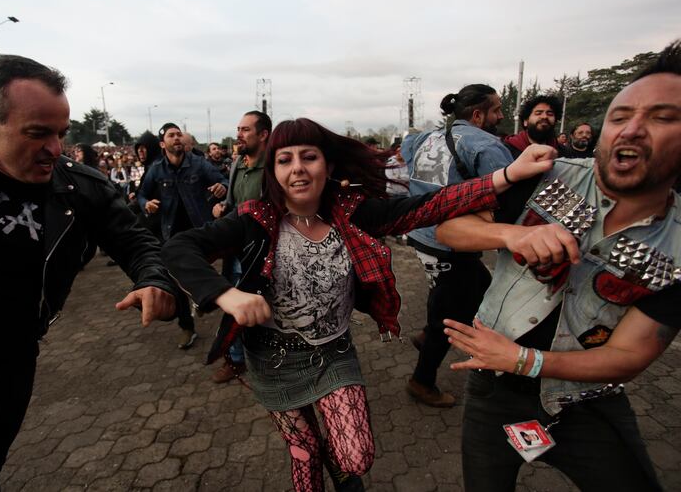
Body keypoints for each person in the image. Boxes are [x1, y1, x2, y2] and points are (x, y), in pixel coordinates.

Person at [162, 118, 555, 492]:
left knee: (353, 457)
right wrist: (226, 295)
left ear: (327, 164)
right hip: (272, 360)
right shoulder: (254, 219)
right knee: (304, 454)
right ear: (273, 170)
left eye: (308, 157)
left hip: (333, 354)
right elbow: (180, 247)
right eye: (285, 160)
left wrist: (506, 176)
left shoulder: (354, 213)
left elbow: (430, 206)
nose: (297, 169)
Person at [0, 54, 179, 491]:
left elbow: (135, 240)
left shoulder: (78, 186)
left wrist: (153, 278)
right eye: (38, 133)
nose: (55, 149)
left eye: (61, 133)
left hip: (12, 367)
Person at [435, 40, 681, 492]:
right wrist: (512, 233)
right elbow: (449, 229)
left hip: (584, 400)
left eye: (663, 117)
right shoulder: (546, 174)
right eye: (621, 115)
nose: (630, 130)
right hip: (492, 385)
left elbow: (628, 356)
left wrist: (524, 360)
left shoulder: (679, 245)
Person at [400, 84, 512, 407]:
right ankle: (421, 381)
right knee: (447, 316)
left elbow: (406, 149)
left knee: (480, 287)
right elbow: (507, 197)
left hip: (421, 235)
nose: (502, 116)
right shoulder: (486, 145)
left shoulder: (424, 138)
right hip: (450, 242)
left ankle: (430, 335)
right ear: (478, 115)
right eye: (497, 110)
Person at [137, 122, 227, 349]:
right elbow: (141, 194)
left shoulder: (198, 164)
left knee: (201, 273)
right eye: (171, 135)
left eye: (179, 134)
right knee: (174, 280)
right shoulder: (156, 169)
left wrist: (221, 188)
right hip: (170, 234)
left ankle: (205, 301)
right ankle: (187, 326)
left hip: (199, 231)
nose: (177, 138)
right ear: (162, 143)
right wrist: (146, 203)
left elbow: (225, 182)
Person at [210, 110, 272, 383]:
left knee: (267, 308)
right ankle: (235, 361)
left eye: (245, 129)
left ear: (263, 134)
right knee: (234, 307)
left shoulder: (275, 168)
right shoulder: (238, 163)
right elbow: (235, 205)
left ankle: (273, 361)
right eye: (238, 129)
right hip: (237, 251)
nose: (239, 134)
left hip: (265, 253)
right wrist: (223, 208)